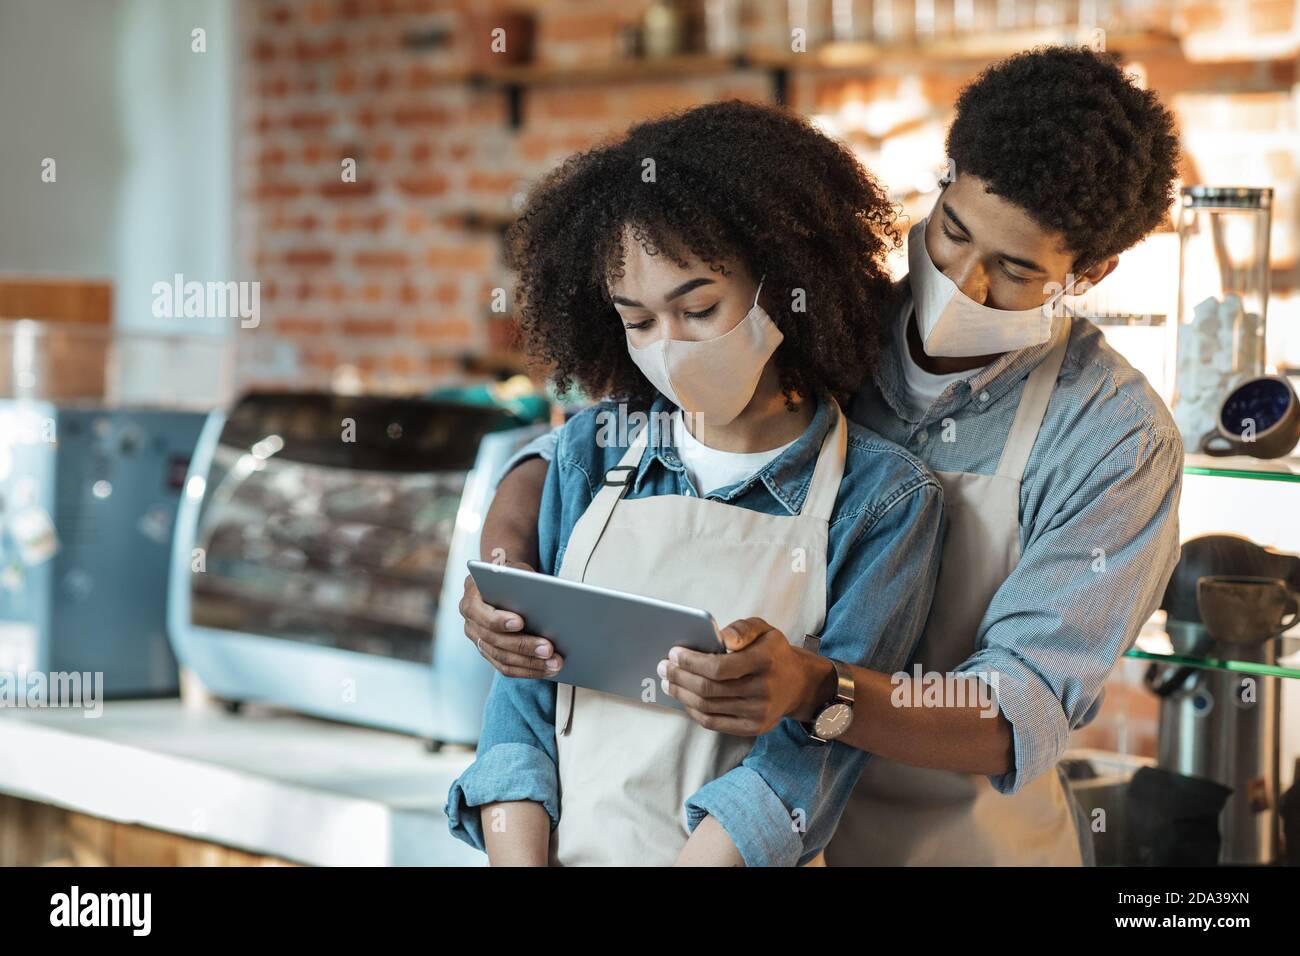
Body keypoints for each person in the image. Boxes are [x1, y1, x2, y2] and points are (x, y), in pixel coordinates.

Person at [464, 46, 1185, 865]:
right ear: (944, 181)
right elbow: (578, 447)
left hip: (952, 846)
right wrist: (505, 565)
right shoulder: (823, 314)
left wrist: (818, 689)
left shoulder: (1113, 437)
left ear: (1090, 272)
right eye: (952, 232)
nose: (962, 281)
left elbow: (1017, 708)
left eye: (1014, 271)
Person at [445, 101, 945, 866]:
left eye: (699, 307)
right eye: (638, 322)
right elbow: (523, 706)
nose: (669, 349)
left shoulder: (884, 501)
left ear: (787, 281)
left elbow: (816, 756)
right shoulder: (588, 454)